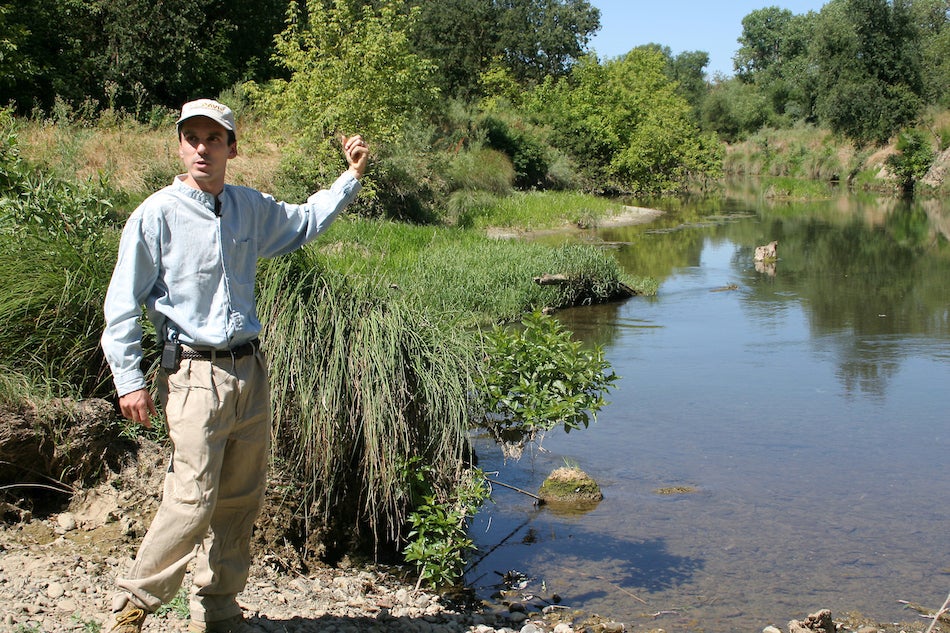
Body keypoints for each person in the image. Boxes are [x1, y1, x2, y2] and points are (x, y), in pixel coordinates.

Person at [100, 98, 369, 633]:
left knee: (241, 499)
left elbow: (305, 220)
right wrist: (129, 380)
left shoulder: (250, 207)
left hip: (250, 371)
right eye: (192, 138)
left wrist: (351, 176)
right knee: (191, 498)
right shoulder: (157, 213)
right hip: (193, 374)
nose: (203, 148)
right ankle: (133, 608)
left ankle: (219, 609)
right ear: (180, 145)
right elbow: (121, 303)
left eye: (214, 138)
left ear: (231, 148)